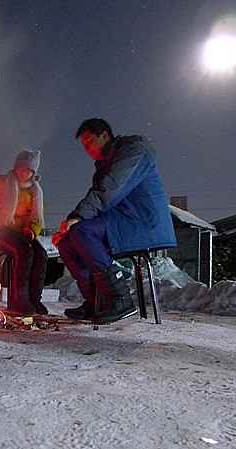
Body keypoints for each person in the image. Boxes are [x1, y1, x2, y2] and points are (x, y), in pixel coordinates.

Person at [52, 118, 176, 325]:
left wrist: (78, 217)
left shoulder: (133, 153)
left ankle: (120, 299)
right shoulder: (104, 166)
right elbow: (101, 200)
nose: (86, 148)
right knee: (65, 241)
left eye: (89, 141)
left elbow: (109, 190)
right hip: (120, 222)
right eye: (83, 145)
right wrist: (70, 223)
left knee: (81, 232)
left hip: (143, 224)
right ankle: (95, 301)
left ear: (105, 135)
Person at [0, 148, 48, 316]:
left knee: (40, 254)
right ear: (15, 167)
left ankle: (34, 299)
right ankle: (18, 300)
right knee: (24, 251)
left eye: (28, 169)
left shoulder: (36, 191)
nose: (23, 172)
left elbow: (37, 218)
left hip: (20, 233)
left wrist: (31, 230)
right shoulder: (0, 183)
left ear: (33, 172)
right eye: (20, 168)